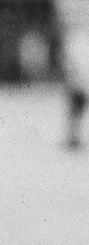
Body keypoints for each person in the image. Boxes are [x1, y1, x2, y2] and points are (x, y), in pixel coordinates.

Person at [54, 0, 89, 150]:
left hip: (79, 39)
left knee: (79, 89)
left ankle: (73, 134)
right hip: (75, 39)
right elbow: (60, 21)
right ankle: (72, 134)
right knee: (77, 90)